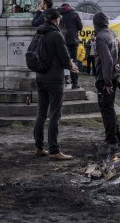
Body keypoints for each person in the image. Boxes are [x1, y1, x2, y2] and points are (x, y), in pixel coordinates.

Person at [33, 8, 78, 161]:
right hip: (54, 79)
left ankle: (39, 147)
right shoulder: (56, 35)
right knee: (55, 114)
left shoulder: (39, 32)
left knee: (41, 112)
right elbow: (65, 58)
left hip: (40, 77)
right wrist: (72, 66)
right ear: (56, 19)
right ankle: (54, 150)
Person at [93, 12, 120, 154]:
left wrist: (107, 81)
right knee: (110, 107)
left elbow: (107, 60)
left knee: (106, 109)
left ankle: (111, 141)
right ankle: (117, 137)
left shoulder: (100, 37)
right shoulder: (112, 33)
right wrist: (119, 64)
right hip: (113, 76)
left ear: (95, 24)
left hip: (105, 79)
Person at [58, 3, 83, 89]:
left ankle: (65, 79)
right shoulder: (74, 14)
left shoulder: (59, 14)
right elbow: (80, 27)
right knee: (74, 61)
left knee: (63, 59)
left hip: (62, 40)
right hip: (73, 40)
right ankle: (75, 83)